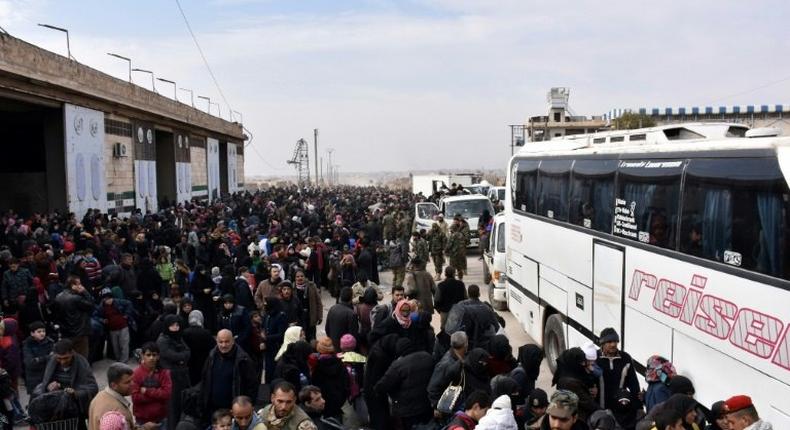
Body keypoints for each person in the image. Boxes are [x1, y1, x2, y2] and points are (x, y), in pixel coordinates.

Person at [374, 338, 434, 430]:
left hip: (408, 410)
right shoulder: (427, 356)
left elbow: (382, 386)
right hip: (427, 405)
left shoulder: (399, 365)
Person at [32, 339, 98, 421]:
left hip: (74, 411)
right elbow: (45, 383)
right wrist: (48, 387)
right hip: (55, 409)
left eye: (66, 358)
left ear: (72, 353)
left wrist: (76, 393)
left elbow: (93, 387)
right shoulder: (52, 362)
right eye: (59, 359)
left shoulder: (82, 363)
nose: (62, 362)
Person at [200, 329, 259, 413]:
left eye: (227, 341)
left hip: (233, 409)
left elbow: (252, 385)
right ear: (216, 341)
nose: (224, 345)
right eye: (221, 342)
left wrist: (246, 406)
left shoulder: (243, 359)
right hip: (212, 408)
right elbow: (205, 380)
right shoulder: (211, 356)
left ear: (233, 341)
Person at [88, 363, 151, 430]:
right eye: (127, 382)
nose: (132, 384)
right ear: (114, 385)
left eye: (132, 380)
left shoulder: (99, 396)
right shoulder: (118, 412)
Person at [156, 315, 190, 430]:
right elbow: (170, 355)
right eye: (172, 326)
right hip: (170, 377)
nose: (175, 328)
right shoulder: (163, 340)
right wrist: (181, 358)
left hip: (180, 376)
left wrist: (182, 358)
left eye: (177, 325)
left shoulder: (178, 338)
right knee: (172, 407)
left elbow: (188, 351)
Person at [596, 328, 640, 411]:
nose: (613, 344)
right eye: (609, 342)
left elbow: (634, 384)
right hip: (599, 408)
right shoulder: (595, 358)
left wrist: (638, 407)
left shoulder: (625, 358)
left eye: (615, 341)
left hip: (619, 409)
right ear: (602, 343)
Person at [52, 275, 94, 357]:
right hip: (79, 332)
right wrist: (85, 292)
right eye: (79, 284)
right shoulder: (76, 298)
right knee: (82, 358)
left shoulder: (58, 297)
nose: (81, 286)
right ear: (73, 286)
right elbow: (91, 305)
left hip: (66, 332)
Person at [131, 342, 171, 427]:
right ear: (142, 356)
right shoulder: (136, 374)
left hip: (161, 418)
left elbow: (167, 394)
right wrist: (158, 395)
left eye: (154, 355)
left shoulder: (164, 373)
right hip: (142, 420)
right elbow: (135, 398)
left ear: (158, 356)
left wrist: (146, 391)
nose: (151, 358)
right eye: (148, 355)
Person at [428, 331, 468, 411]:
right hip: (449, 406)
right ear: (465, 345)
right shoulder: (445, 365)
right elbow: (432, 388)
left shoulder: (460, 357)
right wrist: (437, 406)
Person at [96, 288, 135, 363]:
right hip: (112, 329)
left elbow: (129, 303)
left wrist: (126, 315)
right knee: (115, 347)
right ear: (103, 299)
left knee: (124, 345)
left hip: (123, 326)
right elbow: (95, 315)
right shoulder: (101, 307)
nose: (109, 300)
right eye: (106, 298)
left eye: (110, 298)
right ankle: (118, 359)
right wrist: (102, 320)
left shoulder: (118, 301)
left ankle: (124, 361)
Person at [181, 310, 215, 385]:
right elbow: (213, 347)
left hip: (189, 363)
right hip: (203, 362)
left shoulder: (185, 333)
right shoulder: (206, 333)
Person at [22, 321, 54, 396]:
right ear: (32, 333)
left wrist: (38, 359)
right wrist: (47, 357)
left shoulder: (50, 342)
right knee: (35, 399)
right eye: (39, 331)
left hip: (48, 376)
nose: (42, 333)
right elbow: (30, 363)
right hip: (34, 378)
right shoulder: (27, 344)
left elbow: (54, 359)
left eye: (43, 331)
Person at [324, 287, 359, 351]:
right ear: (351, 298)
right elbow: (353, 334)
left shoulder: (332, 309)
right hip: (346, 348)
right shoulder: (352, 314)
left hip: (333, 345)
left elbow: (327, 328)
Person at [293, 269, 323, 341]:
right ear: (294, 278)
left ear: (305, 277)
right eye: (297, 276)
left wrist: (320, 316)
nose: (300, 278)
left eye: (301, 276)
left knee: (312, 339)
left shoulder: (312, 286)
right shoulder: (292, 288)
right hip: (298, 318)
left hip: (310, 317)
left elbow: (318, 302)